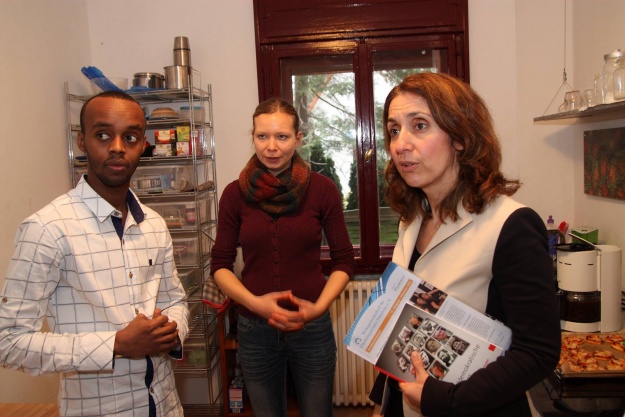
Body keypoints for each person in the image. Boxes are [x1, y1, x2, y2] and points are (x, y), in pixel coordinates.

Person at [369, 72, 560, 416]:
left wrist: (444, 400)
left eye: (420, 126)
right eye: (394, 130)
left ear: (459, 137)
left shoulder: (511, 225)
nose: (400, 144)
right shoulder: (412, 219)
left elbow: (538, 353)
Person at [0, 91, 189, 417]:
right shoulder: (48, 229)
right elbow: (9, 341)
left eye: (130, 137)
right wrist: (115, 344)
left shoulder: (154, 225)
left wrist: (171, 332)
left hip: (165, 405)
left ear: (143, 145)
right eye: (103, 135)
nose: (117, 147)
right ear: (82, 141)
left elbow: (175, 300)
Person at [210, 98, 355, 417]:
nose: (271, 147)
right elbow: (220, 265)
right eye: (262, 136)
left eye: (282, 136)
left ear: (298, 138)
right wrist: (255, 304)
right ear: (252, 137)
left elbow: (345, 260)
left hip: (311, 327)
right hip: (254, 329)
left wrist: (318, 308)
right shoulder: (234, 194)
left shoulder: (323, 190)